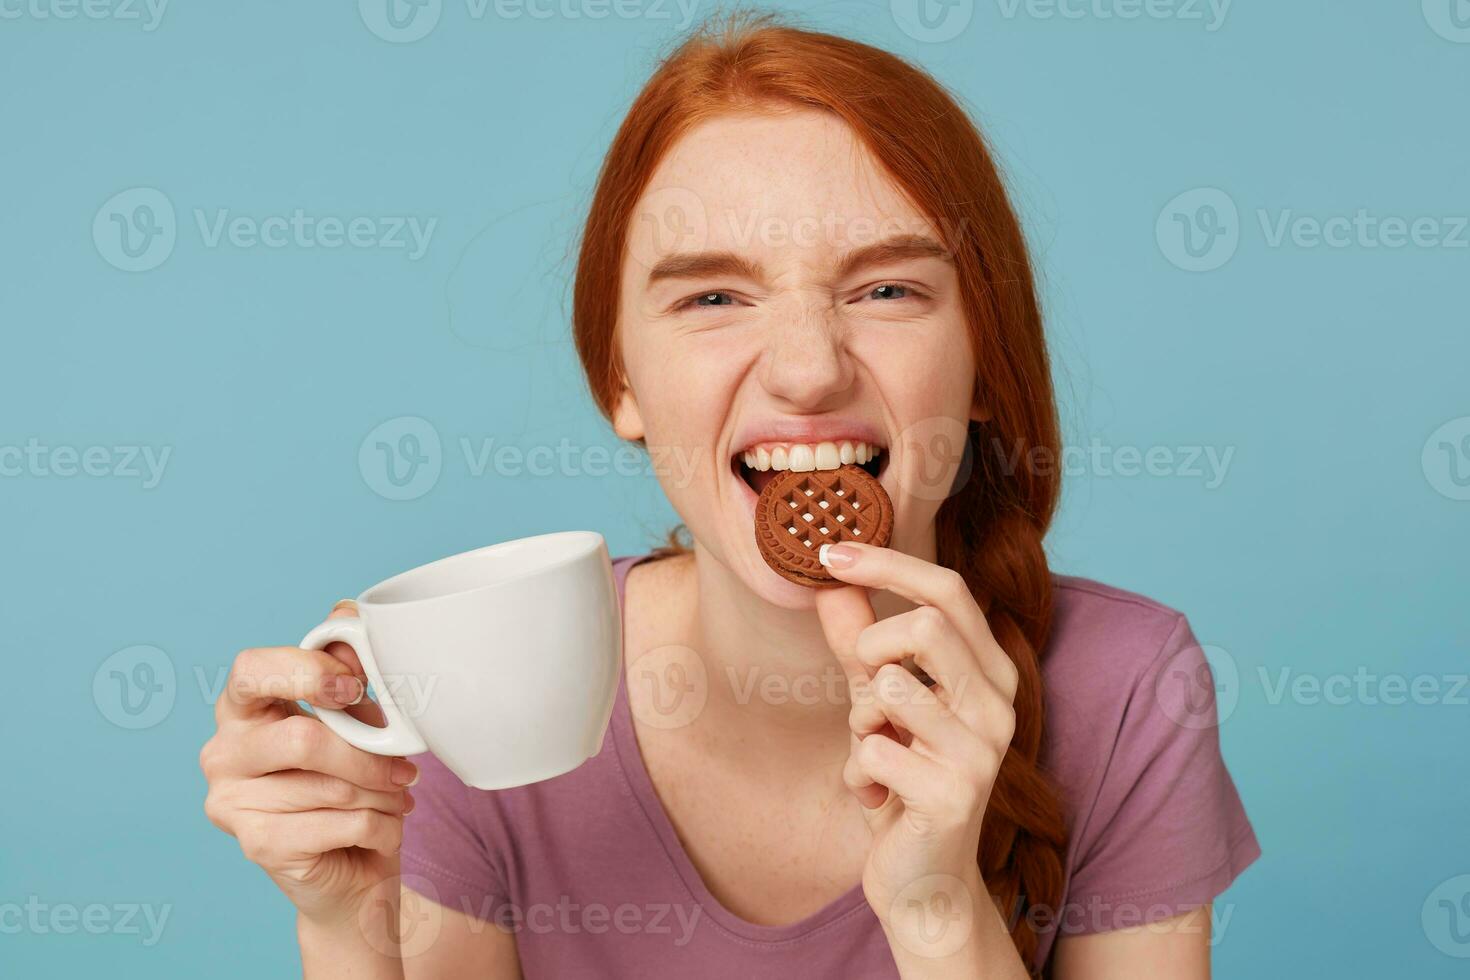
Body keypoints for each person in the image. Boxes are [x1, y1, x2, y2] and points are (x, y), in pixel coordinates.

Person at [199, 13, 1259, 978]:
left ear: (984, 363)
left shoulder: (1127, 691)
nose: (807, 369)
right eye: (714, 294)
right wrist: (344, 931)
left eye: (887, 287)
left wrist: (939, 914)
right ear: (621, 378)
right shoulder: (493, 686)